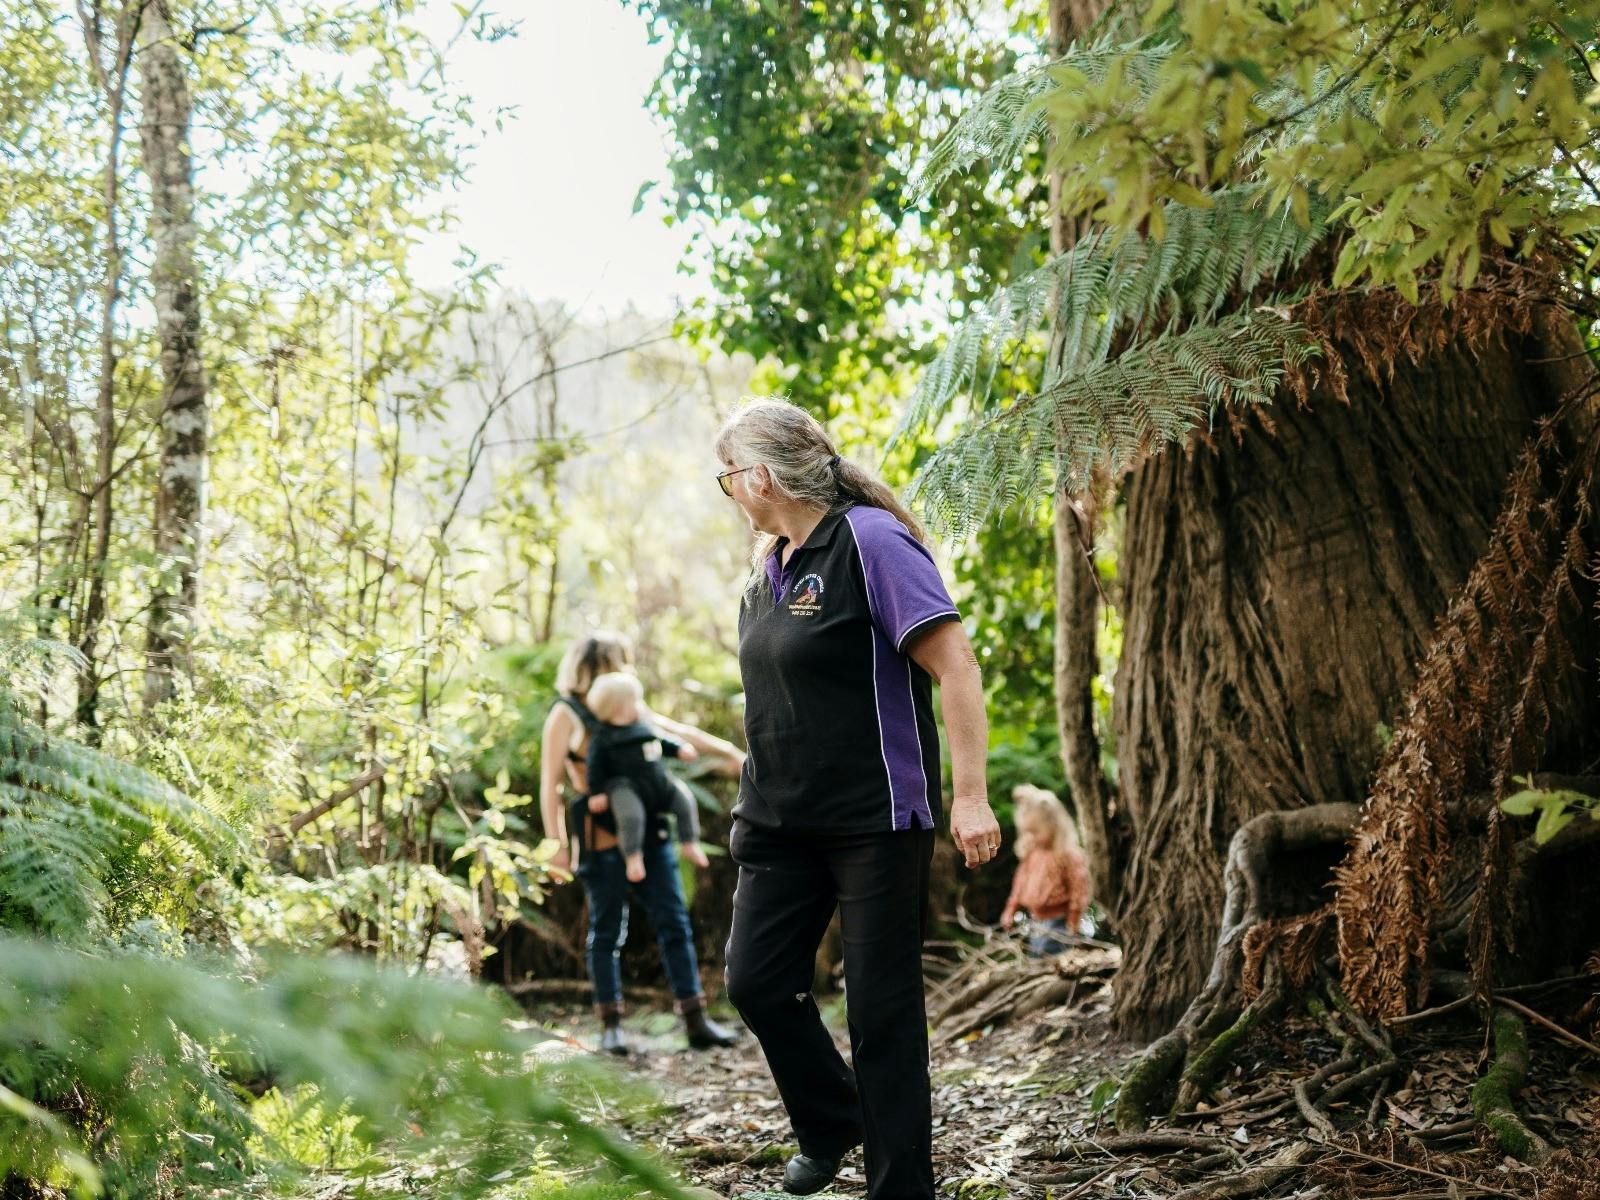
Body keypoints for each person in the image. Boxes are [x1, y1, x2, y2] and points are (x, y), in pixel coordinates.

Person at [715, 398, 1002, 1200]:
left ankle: (900, 1189)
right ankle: (834, 1121)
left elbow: (957, 667)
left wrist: (970, 798)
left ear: (761, 476)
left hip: (875, 820)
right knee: (756, 982)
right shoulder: (765, 571)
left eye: (728, 475)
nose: (728, 491)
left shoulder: (871, 542)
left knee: (880, 1016)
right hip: (778, 822)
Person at [537, 631, 742, 1055]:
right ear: (599, 664)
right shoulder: (567, 713)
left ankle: (696, 1020)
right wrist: (555, 843)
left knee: (674, 923)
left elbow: (675, 731)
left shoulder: (625, 703)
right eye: (619, 661)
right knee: (607, 931)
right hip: (602, 840)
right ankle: (611, 1025)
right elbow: (550, 783)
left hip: (651, 832)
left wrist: (730, 754)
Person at [583, 671, 711, 883]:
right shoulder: (603, 737)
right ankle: (633, 857)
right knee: (630, 818)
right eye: (636, 701)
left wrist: (680, 749)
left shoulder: (645, 726)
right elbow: (594, 767)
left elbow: (664, 741)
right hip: (625, 786)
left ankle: (689, 842)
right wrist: (596, 792)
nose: (641, 706)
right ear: (619, 708)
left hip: (658, 781)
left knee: (684, 800)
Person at [1000, 784, 1091, 957]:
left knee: (1051, 960)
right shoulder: (1032, 853)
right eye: (1027, 832)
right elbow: (1020, 883)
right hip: (1035, 922)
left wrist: (1073, 921)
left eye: (1035, 832)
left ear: (1053, 824)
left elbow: (1079, 889)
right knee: (1036, 959)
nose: (1031, 837)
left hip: (1059, 923)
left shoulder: (1068, 855)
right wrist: (1011, 909)